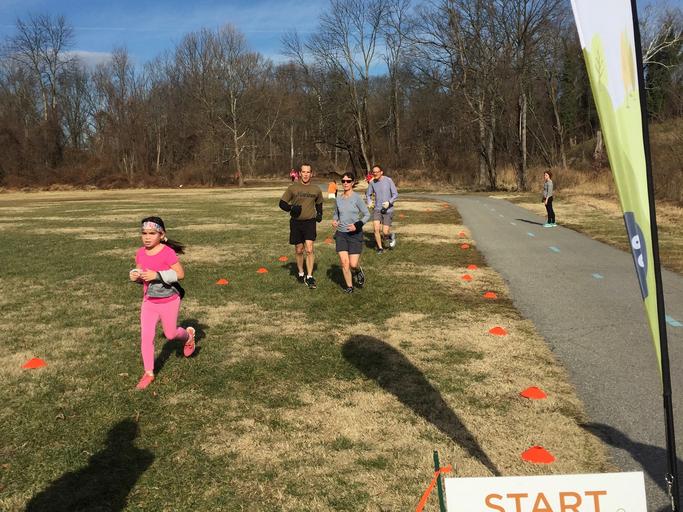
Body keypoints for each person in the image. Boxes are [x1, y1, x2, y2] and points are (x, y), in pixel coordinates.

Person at [129, 217, 195, 390]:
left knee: (171, 335)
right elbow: (143, 276)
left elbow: (180, 274)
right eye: (144, 233)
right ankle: (148, 373)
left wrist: (157, 275)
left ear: (162, 235)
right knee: (146, 337)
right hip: (149, 301)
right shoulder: (140, 252)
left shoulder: (167, 252)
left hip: (169, 300)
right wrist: (136, 277)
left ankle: (188, 336)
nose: (147, 237)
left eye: (152, 233)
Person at [279, 164, 324, 288]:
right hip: (296, 223)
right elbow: (282, 203)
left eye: (308, 172)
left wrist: (320, 213)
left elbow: (319, 203)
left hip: (310, 222)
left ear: (311, 174)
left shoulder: (316, 189)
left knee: (309, 249)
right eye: (303, 172)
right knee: (299, 250)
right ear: (299, 173)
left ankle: (309, 276)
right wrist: (291, 208)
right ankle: (300, 273)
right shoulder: (292, 188)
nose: (305, 174)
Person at [332, 172, 370, 293]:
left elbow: (367, 214)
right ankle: (350, 287)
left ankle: (357, 271)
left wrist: (357, 225)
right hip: (341, 234)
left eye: (348, 181)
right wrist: (335, 220)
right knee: (344, 263)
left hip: (355, 234)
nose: (345, 183)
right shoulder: (338, 198)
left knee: (353, 264)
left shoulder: (357, 198)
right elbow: (336, 213)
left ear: (352, 183)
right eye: (343, 181)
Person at [366, 164, 399, 254]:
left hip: (388, 210)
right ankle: (380, 248)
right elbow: (368, 194)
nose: (375, 174)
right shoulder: (372, 183)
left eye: (377, 172)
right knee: (376, 229)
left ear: (381, 172)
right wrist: (369, 202)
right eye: (373, 172)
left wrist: (389, 202)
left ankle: (390, 235)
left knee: (385, 232)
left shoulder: (388, 180)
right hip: (377, 209)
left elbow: (395, 194)